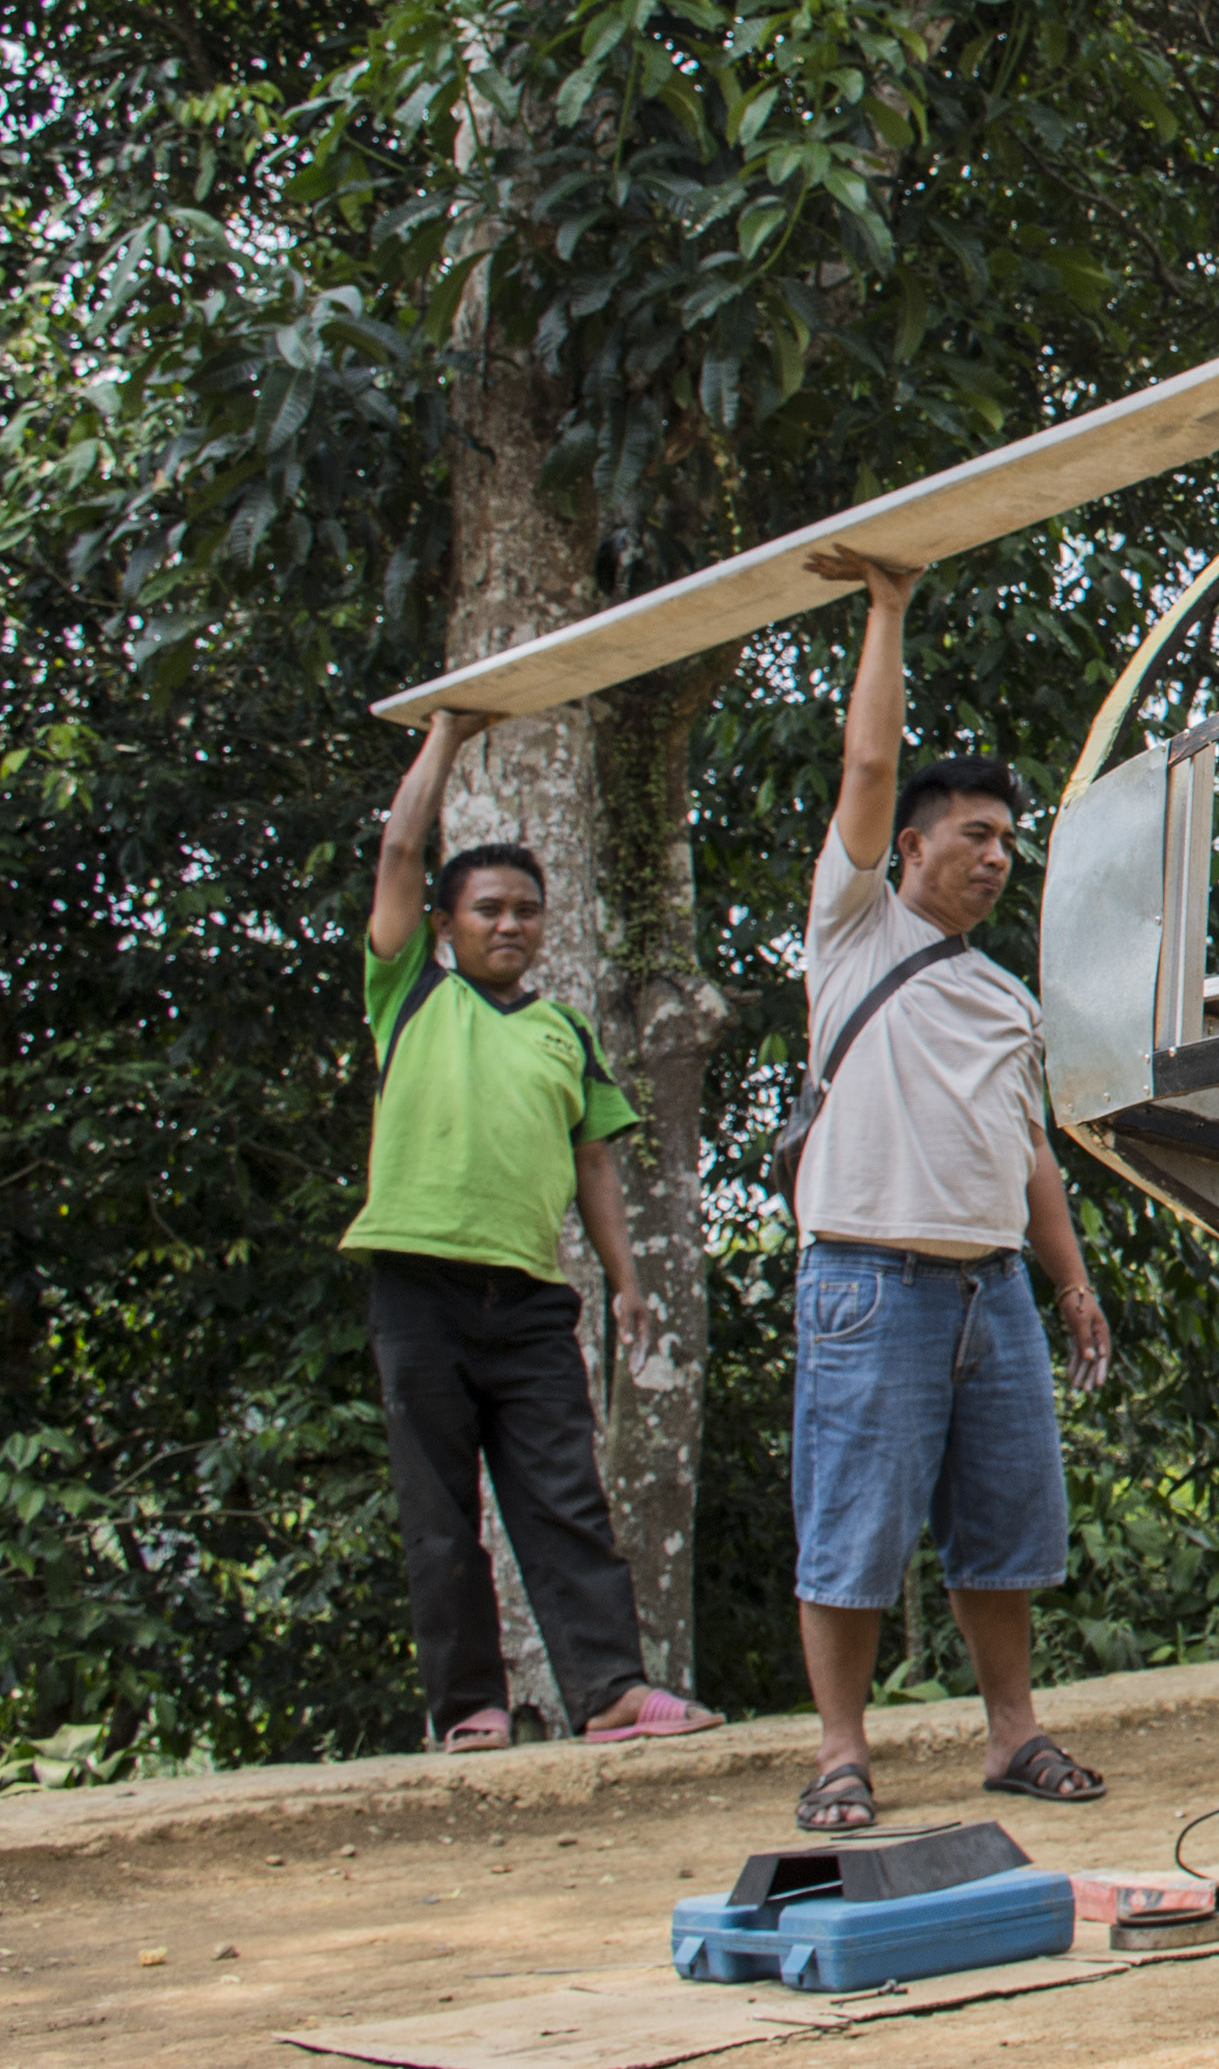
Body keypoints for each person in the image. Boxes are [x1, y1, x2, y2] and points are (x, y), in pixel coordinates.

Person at [787, 546, 1116, 1834]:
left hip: (994, 1294)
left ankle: (1013, 1735)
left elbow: (1027, 1147)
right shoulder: (853, 929)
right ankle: (838, 1754)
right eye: (974, 835)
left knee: (1009, 1522)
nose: (995, 857)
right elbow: (868, 768)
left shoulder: (1002, 994)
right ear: (910, 847)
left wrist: (1071, 1280)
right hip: (869, 1280)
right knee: (852, 1523)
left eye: (1005, 840)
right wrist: (885, 602)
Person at [356, 714, 721, 1753]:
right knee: (440, 1514)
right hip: (417, 1285)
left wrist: (623, 1281)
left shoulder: (562, 1032)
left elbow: (593, 1160)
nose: (509, 925)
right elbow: (397, 848)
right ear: (444, 925)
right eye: (487, 910)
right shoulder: (409, 995)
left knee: (564, 1497)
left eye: (526, 911)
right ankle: (467, 1708)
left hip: (525, 1298)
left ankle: (607, 1692)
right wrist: (447, 732)